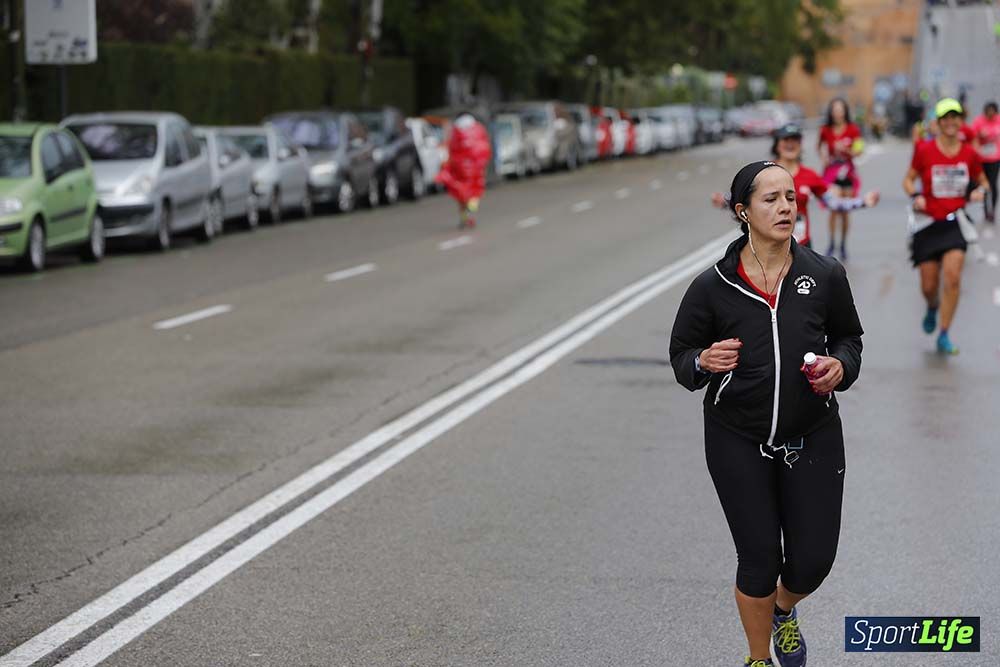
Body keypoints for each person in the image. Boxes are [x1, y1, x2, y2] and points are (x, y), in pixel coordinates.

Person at [671, 161, 864, 667]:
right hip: (737, 436)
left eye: (791, 198)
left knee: (813, 562)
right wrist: (701, 361)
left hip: (813, 433)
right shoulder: (712, 287)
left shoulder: (824, 275)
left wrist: (839, 367)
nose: (785, 208)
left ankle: (783, 608)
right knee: (758, 558)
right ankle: (758, 658)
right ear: (743, 211)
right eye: (771, 199)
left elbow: (850, 340)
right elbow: (681, 356)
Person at [903, 98, 990, 355]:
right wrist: (914, 196)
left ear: (961, 121)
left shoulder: (970, 153)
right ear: (939, 123)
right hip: (928, 223)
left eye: (955, 117)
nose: (951, 122)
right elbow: (908, 180)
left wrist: (980, 193)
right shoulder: (924, 150)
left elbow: (983, 181)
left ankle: (944, 333)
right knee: (929, 286)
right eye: (946, 118)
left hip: (956, 223)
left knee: (952, 278)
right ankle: (932, 307)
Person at [712, 124, 879, 248]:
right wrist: (726, 201)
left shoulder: (810, 175)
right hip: (769, 246)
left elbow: (833, 203)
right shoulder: (763, 173)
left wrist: (863, 202)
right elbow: (746, 202)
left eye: (795, 140)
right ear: (777, 144)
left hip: (802, 246)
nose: (791, 144)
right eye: (786, 140)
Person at [818, 98, 864, 259]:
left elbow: (859, 151)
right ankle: (831, 242)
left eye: (840, 109)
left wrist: (847, 150)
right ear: (831, 112)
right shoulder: (825, 130)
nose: (838, 112)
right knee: (833, 209)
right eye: (835, 109)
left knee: (845, 211)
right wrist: (824, 157)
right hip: (831, 174)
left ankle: (843, 244)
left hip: (847, 173)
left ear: (845, 111)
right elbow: (820, 147)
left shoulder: (853, 130)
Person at [435, 112, 492, 229]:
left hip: (460, 168)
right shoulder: (477, 129)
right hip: (474, 168)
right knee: (474, 190)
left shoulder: (456, 130)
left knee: (461, 193)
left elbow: (451, 147)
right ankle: (470, 211)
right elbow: (484, 146)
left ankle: (465, 217)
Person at [970, 101, 1000, 222]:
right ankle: (986, 211)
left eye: (993, 113)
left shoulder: (998, 120)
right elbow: (973, 137)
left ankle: (992, 209)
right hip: (982, 158)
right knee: (983, 185)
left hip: (995, 158)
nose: (990, 115)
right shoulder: (979, 122)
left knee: (992, 184)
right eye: (988, 113)